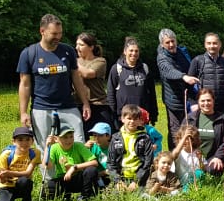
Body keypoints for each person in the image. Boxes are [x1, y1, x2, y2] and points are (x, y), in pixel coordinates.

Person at [18, 14, 93, 148]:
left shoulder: (68, 51)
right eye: (54, 34)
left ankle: (75, 163)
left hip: (68, 106)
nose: (58, 37)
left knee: (78, 143)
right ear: (42, 31)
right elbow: (25, 85)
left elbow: (76, 78)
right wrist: (23, 113)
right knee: (45, 147)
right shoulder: (29, 53)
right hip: (41, 108)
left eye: (60, 33)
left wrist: (85, 103)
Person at [106, 37, 159, 132]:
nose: (134, 53)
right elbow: (110, 93)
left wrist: (154, 114)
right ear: (125, 52)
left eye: (136, 51)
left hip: (141, 116)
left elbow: (152, 93)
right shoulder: (117, 69)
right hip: (124, 117)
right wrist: (113, 114)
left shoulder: (145, 68)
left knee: (141, 139)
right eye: (131, 50)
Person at [155, 28, 194, 147]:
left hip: (188, 97)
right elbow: (169, 71)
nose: (171, 44)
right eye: (167, 42)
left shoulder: (182, 52)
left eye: (173, 41)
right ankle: (174, 154)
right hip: (173, 101)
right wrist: (184, 77)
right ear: (162, 44)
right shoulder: (162, 58)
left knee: (190, 128)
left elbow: (191, 66)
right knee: (175, 131)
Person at [107, 104, 157, 191]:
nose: (132, 121)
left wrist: (136, 181)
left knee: (142, 196)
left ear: (140, 120)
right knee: (115, 197)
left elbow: (148, 162)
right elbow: (110, 163)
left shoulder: (145, 138)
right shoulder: (115, 138)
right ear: (122, 119)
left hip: (140, 178)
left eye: (135, 119)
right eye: (129, 118)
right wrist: (118, 181)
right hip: (121, 178)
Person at [181, 89, 224, 177]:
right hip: (193, 155)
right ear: (198, 102)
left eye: (209, 100)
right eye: (202, 101)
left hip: (212, 156)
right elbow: (180, 138)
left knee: (213, 169)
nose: (206, 103)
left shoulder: (223, 119)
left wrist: (218, 156)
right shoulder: (190, 119)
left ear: (213, 101)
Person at [0, 126, 42, 201]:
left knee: (25, 181)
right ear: (14, 142)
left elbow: (28, 173)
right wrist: (2, 177)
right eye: (20, 140)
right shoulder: (6, 155)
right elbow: (3, 179)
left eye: (27, 139)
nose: (24, 143)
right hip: (7, 186)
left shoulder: (35, 153)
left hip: (22, 184)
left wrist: (9, 173)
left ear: (32, 141)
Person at [74, 33, 113, 129]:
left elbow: (87, 74)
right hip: (78, 104)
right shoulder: (75, 61)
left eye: (81, 45)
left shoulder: (100, 61)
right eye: (77, 44)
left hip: (98, 104)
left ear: (91, 47)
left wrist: (72, 62)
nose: (77, 47)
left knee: (104, 134)